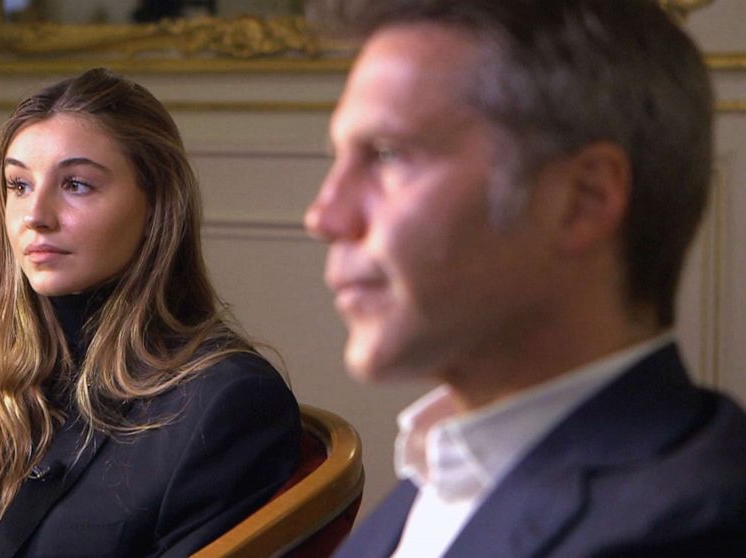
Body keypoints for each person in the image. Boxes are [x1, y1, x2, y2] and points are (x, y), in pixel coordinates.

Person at [304, 1, 746, 556]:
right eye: (339, 159)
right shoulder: (439, 475)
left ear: (583, 201)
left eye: (388, 155)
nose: (324, 215)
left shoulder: (693, 529)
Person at [0, 67, 300, 557]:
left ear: (157, 206)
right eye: (18, 185)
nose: (35, 215)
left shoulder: (227, 401)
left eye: (77, 184)